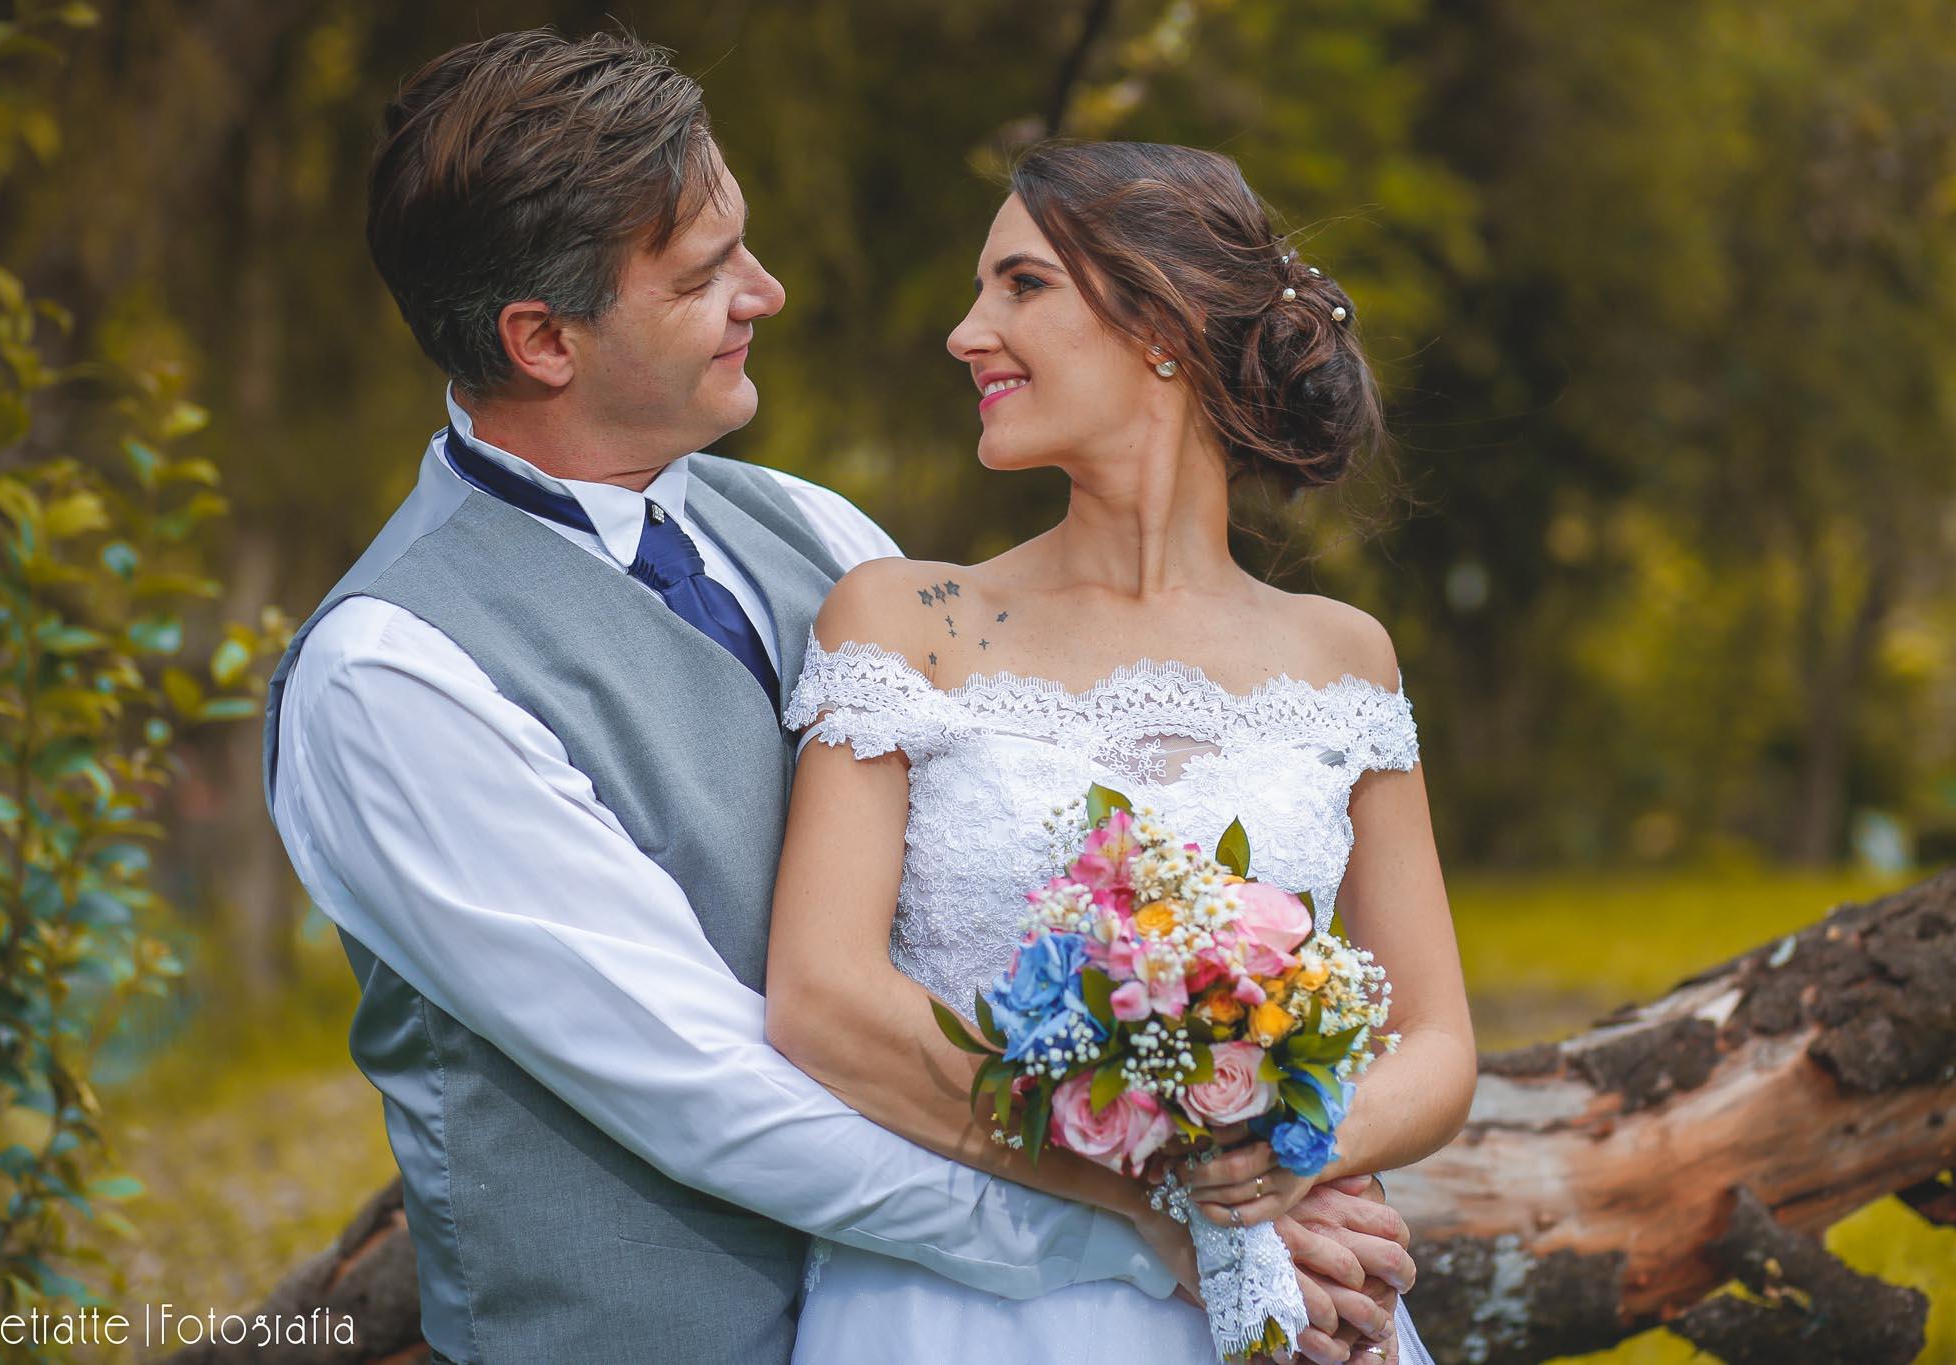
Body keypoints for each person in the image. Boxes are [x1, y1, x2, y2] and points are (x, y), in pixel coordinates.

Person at [262, 29, 1417, 1365]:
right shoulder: (397, 675)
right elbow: (714, 1090)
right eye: (705, 276)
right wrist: (1157, 1221)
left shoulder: (818, 537)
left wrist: (1264, 1148)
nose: (770, 291)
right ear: (543, 339)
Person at [766, 140, 1477, 1365]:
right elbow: (822, 1003)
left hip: (1295, 1310)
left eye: (1020, 285)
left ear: (1163, 323)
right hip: (966, 1311)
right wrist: (1168, 1191)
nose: (964, 332)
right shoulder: (898, 625)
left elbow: (1439, 1046)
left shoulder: (1342, 658)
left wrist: (1282, 1163)